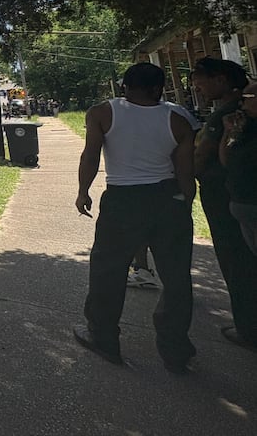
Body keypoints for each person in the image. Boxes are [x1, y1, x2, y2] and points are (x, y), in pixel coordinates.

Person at [74, 62, 197, 372]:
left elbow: (90, 156)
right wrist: (184, 204)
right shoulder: (178, 119)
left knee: (108, 271)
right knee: (176, 277)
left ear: (124, 86)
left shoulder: (103, 113)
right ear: (159, 88)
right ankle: (176, 350)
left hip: (123, 199)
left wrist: (83, 191)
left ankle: (103, 337)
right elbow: (186, 171)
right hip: (167, 197)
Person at [194, 57, 257, 351]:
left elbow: (204, 155)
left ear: (220, 79)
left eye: (201, 82)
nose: (197, 88)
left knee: (236, 260)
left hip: (226, 196)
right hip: (239, 194)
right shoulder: (238, 110)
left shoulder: (228, 114)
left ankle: (248, 327)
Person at [127, 100, 203, 289]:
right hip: (173, 182)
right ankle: (174, 284)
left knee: (140, 230)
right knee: (171, 239)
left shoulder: (124, 113)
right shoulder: (178, 112)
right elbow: (195, 145)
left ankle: (144, 270)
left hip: (144, 183)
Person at [220, 81, 257, 256]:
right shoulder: (247, 126)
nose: (241, 104)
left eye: (246, 98)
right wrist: (229, 131)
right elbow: (227, 161)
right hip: (243, 202)